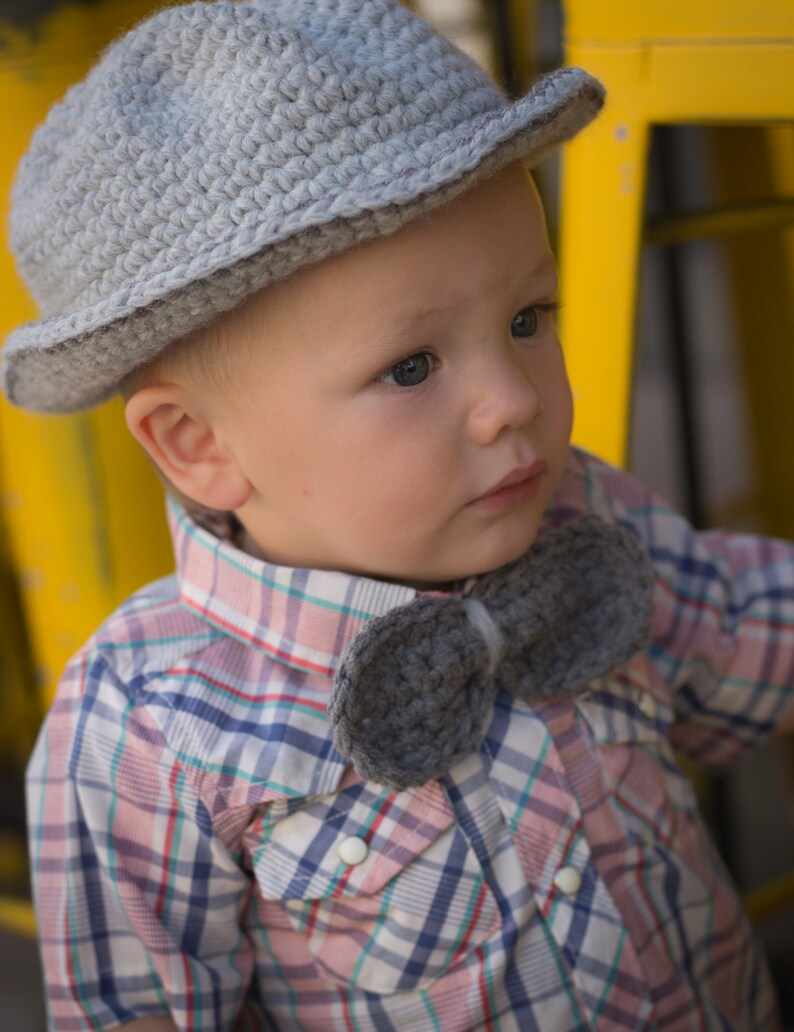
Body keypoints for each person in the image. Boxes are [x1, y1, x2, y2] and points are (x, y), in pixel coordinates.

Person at [4, 0, 793, 1029]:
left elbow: (740, 632)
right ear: (201, 445)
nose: (510, 399)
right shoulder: (150, 726)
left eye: (527, 318)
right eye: (410, 366)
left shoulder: (584, 515)